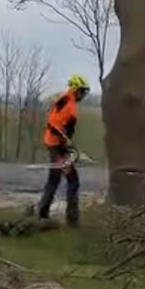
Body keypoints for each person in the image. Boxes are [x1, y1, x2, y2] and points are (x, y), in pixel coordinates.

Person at [37, 74, 90, 227]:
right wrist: (63, 148)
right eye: (82, 91)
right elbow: (56, 126)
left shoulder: (65, 99)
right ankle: (70, 221)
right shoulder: (68, 104)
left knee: (57, 180)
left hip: (56, 145)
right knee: (71, 181)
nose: (84, 95)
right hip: (57, 147)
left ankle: (43, 215)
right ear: (76, 89)